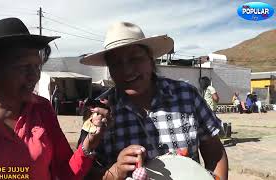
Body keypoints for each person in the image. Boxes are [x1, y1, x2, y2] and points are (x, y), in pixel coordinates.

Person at [0, 18, 109, 180]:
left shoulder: (42, 109)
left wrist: (89, 144)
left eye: (37, 66)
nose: (34, 76)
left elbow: (65, 173)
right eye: (24, 67)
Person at [79, 22, 228, 180]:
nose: (127, 70)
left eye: (135, 58)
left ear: (151, 61)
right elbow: (82, 171)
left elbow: (215, 154)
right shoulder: (98, 111)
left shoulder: (186, 96)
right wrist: (115, 171)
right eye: (116, 63)